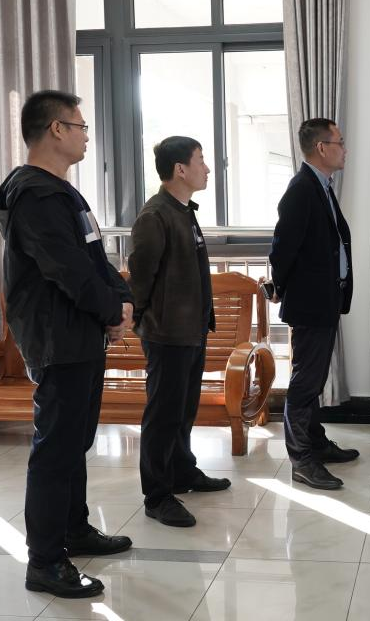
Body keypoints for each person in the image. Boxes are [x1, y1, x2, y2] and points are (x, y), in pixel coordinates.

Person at [0, 90, 134, 598]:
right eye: (80, 126)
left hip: (80, 334)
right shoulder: (36, 196)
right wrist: (110, 312)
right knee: (56, 449)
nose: (86, 136)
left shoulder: (63, 192)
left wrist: (121, 302)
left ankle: (74, 529)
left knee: (75, 441)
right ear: (56, 129)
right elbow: (66, 270)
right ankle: (45, 561)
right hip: (59, 337)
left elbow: (94, 259)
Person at [127, 136, 230, 527]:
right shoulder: (155, 216)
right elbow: (141, 278)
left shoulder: (184, 211)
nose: (207, 168)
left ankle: (182, 471)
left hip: (190, 330)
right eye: (200, 161)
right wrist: (141, 321)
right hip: (166, 333)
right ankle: (157, 495)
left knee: (184, 410)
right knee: (163, 415)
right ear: (180, 169)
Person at [267, 118, 360, 490]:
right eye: (340, 142)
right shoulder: (301, 189)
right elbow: (282, 249)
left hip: (325, 299)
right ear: (322, 148)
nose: (345, 149)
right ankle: (301, 459)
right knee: (305, 382)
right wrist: (280, 287)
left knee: (315, 378)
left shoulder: (321, 185)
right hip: (309, 303)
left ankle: (316, 442)